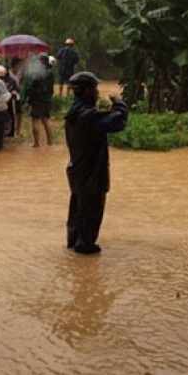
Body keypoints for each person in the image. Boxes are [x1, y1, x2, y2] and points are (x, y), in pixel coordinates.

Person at [64, 71, 129, 254]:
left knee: (78, 211)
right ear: (86, 91)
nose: (96, 92)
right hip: (92, 173)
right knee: (91, 213)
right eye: (94, 88)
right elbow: (117, 122)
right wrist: (120, 103)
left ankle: (74, 244)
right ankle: (85, 249)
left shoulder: (75, 113)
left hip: (78, 170)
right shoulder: (87, 116)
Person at [25, 54, 55, 147]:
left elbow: (32, 88)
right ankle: (50, 142)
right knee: (46, 120)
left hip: (37, 100)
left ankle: (37, 143)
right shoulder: (51, 72)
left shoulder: (37, 73)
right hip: (47, 99)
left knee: (36, 120)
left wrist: (29, 101)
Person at [6, 57, 26, 137]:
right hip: (9, 95)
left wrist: (22, 80)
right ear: (16, 65)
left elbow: (21, 84)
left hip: (17, 95)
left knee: (19, 113)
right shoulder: (8, 73)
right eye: (20, 64)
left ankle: (18, 130)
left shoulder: (20, 73)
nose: (21, 66)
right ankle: (10, 130)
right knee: (10, 114)